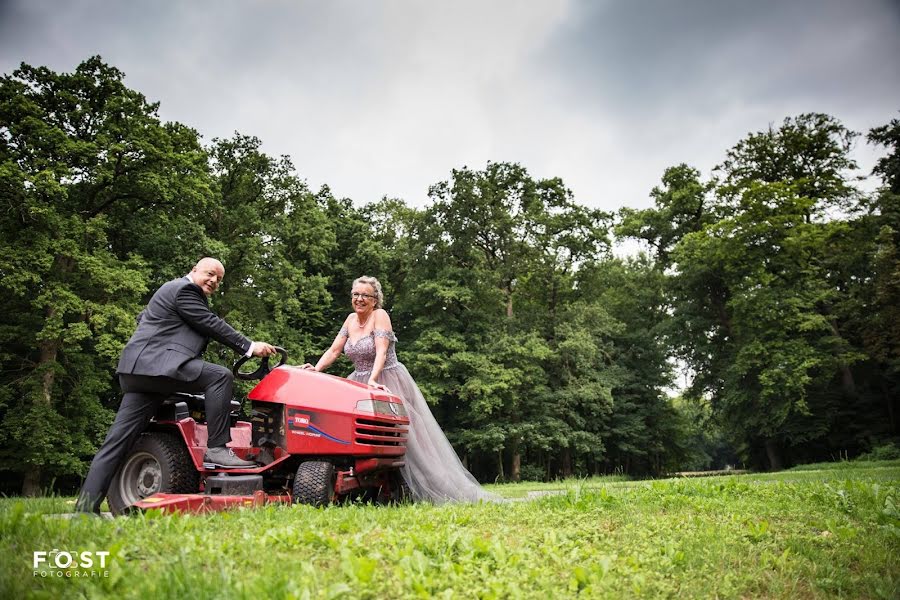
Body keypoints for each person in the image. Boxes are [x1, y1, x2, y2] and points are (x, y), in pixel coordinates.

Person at [75, 257, 277, 514]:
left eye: (219, 279)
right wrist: (249, 347)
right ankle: (216, 449)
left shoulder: (170, 294)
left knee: (117, 442)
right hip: (156, 368)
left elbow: (148, 321)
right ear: (193, 270)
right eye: (210, 273)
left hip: (141, 373)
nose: (214, 280)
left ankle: (85, 509)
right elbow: (210, 323)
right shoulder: (184, 289)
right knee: (220, 377)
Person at [302, 276, 499, 503]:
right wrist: (316, 369)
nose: (359, 299)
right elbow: (334, 350)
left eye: (365, 295)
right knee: (363, 433)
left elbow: (381, 352)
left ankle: (426, 486)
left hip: (387, 378)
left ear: (375, 300)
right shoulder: (349, 320)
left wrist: (374, 380)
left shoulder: (380, 316)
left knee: (404, 438)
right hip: (358, 382)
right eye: (356, 294)